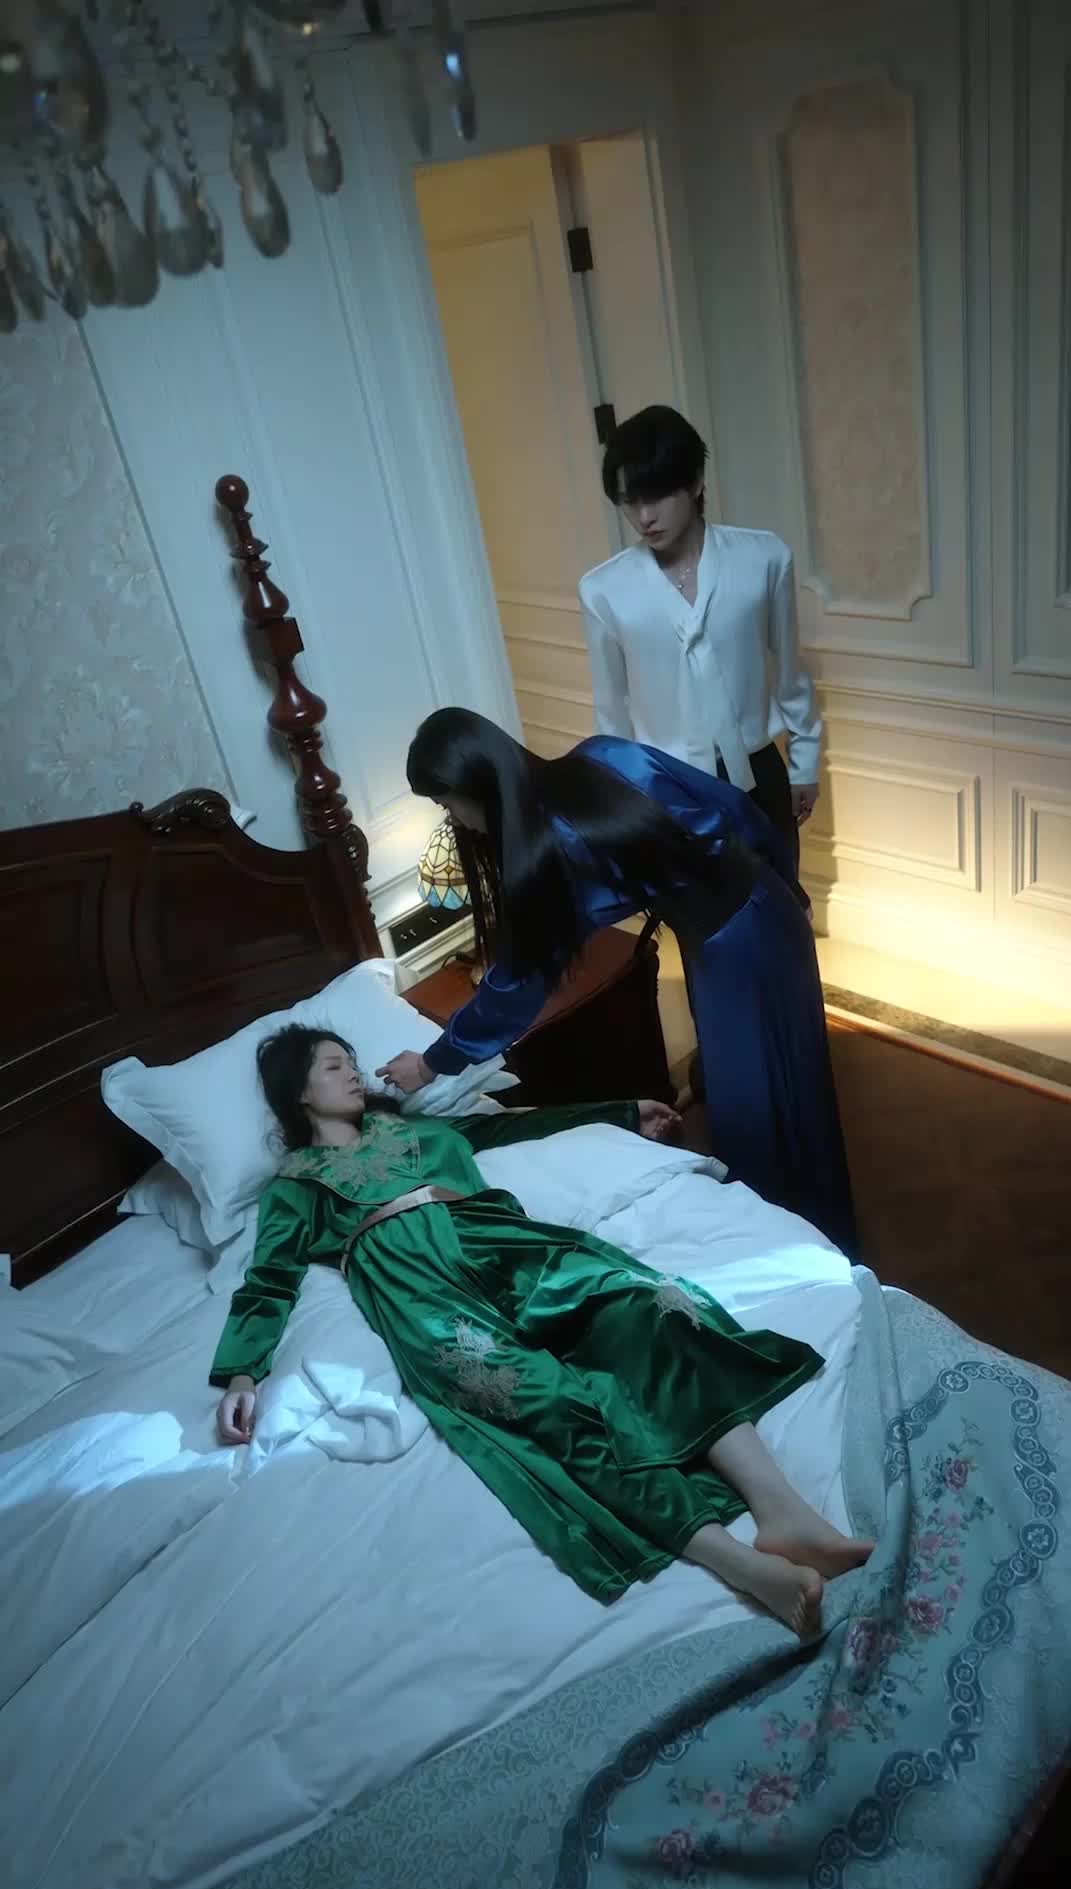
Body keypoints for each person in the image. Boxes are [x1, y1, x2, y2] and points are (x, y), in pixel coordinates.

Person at [212, 1025, 872, 1635]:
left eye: (352, 1061)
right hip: (417, 1291)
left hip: (500, 1244)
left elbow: (512, 1127)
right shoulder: (295, 1186)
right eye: (334, 1066)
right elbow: (269, 1278)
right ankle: (739, 1563)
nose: (353, 1073)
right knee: (548, 1404)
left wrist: (623, 1112)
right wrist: (244, 1371)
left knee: (641, 1309)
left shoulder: (413, 1129)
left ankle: (780, 1509)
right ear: (300, 1092)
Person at [377, 709, 857, 1257]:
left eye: (448, 805)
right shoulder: (603, 754)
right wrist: (786, 886)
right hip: (765, 905)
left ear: (477, 788)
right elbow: (735, 809)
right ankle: (819, 1224)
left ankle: (790, 1243)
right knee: (792, 1073)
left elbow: (515, 987)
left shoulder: (554, 852)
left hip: (733, 946)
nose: (457, 821)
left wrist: (433, 1062)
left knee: (755, 1106)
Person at [578, 405, 822, 876]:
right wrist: (621, 803)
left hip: (757, 770)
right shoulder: (604, 590)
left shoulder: (763, 558)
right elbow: (611, 710)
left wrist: (805, 761)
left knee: (781, 903)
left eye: (658, 495)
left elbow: (790, 673)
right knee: (694, 913)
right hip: (664, 786)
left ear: (694, 482)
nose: (644, 517)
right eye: (629, 501)